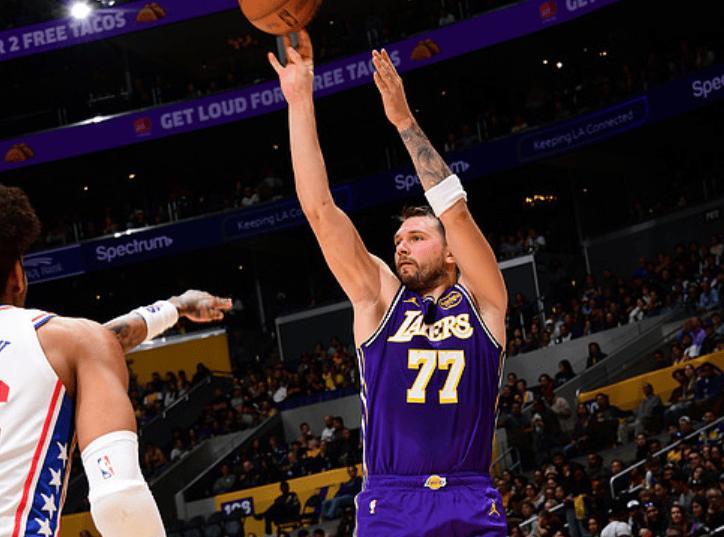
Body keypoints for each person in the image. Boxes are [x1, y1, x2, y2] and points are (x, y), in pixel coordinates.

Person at [269, 32, 507, 536]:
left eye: (417, 237)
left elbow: (455, 211)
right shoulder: (379, 299)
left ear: (450, 252)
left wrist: (403, 121)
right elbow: (319, 210)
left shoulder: (485, 301)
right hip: (391, 499)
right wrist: (299, 101)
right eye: (398, 239)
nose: (401, 247)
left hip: (469, 494)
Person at [0, 185, 232, 537]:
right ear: (17, 277)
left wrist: (174, 308)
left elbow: (97, 342)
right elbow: (119, 498)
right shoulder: (71, 343)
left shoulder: (78, 343)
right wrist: (177, 306)